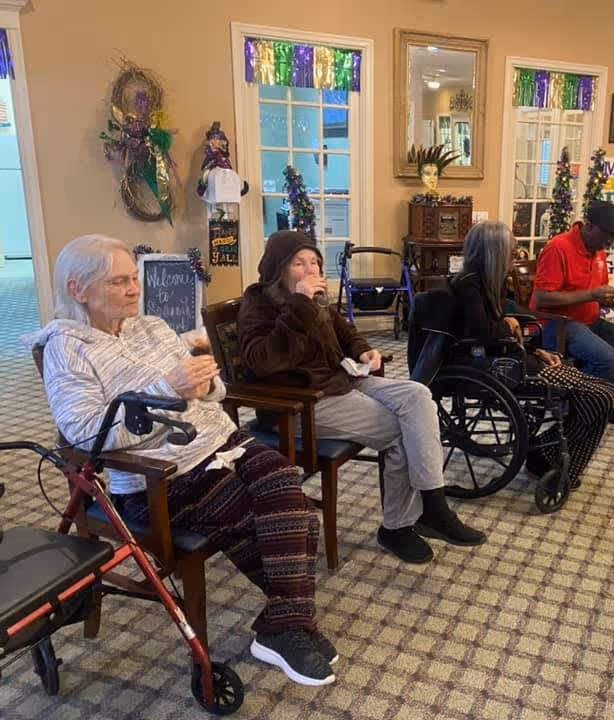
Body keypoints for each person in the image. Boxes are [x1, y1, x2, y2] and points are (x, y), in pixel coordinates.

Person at [30, 234, 337, 687]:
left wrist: (204, 384)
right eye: (119, 282)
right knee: (288, 523)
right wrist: (168, 391)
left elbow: (216, 393)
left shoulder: (152, 326)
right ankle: (290, 625)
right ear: (78, 289)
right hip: (162, 479)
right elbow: (85, 435)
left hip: (224, 443)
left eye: (134, 278)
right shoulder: (68, 347)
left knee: (289, 493)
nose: (134, 288)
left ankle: (283, 625)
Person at [237, 230, 486, 565]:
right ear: (278, 268)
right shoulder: (260, 303)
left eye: (314, 262)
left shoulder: (315, 299)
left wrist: (363, 349)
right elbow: (262, 361)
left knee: (418, 395)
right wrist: (298, 305)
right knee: (402, 430)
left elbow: (343, 328)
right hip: (300, 403)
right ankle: (402, 525)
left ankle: (434, 506)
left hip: (340, 381)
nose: (310, 270)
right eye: (299, 263)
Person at [449, 221, 614, 486]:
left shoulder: (486, 283)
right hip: (498, 365)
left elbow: (507, 331)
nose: (515, 256)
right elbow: (484, 333)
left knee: (606, 393)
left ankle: (543, 452)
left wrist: (536, 350)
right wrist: (506, 324)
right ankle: (543, 455)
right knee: (599, 397)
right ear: (494, 252)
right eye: (511, 250)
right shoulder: (469, 285)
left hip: (513, 357)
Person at [531, 200, 614, 426]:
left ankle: (609, 404)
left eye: (613, 238)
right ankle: (580, 412)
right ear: (589, 226)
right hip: (557, 325)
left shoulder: (598, 251)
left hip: (589, 320)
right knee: (609, 359)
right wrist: (591, 295)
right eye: (607, 236)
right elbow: (541, 298)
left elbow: (600, 291)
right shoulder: (558, 248)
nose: (609, 243)